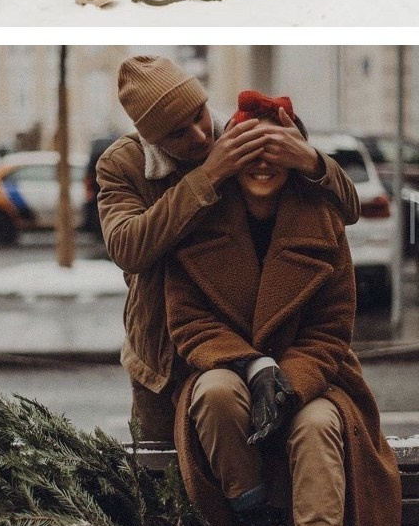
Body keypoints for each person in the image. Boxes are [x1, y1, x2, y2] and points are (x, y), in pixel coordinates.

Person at [167, 91, 400, 526]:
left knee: (318, 422)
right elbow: (191, 325)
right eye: (249, 147)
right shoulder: (197, 223)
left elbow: (330, 333)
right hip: (227, 373)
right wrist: (253, 365)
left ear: (297, 153)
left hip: (317, 380)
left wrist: (288, 380)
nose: (263, 161)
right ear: (228, 153)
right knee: (216, 393)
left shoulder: (322, 224)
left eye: (277, 147)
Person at [95, 56, 361, 445]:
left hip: (240, 347)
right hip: (163, 358)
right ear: (151, 137)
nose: (201, 137)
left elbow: (347, 209)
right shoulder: (123, 164)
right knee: (164, 481)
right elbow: (127, 248)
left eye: (199, 114)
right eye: (177, 133)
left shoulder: (238, 131)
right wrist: (208, 175)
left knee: (252, 461)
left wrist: (310, 158)